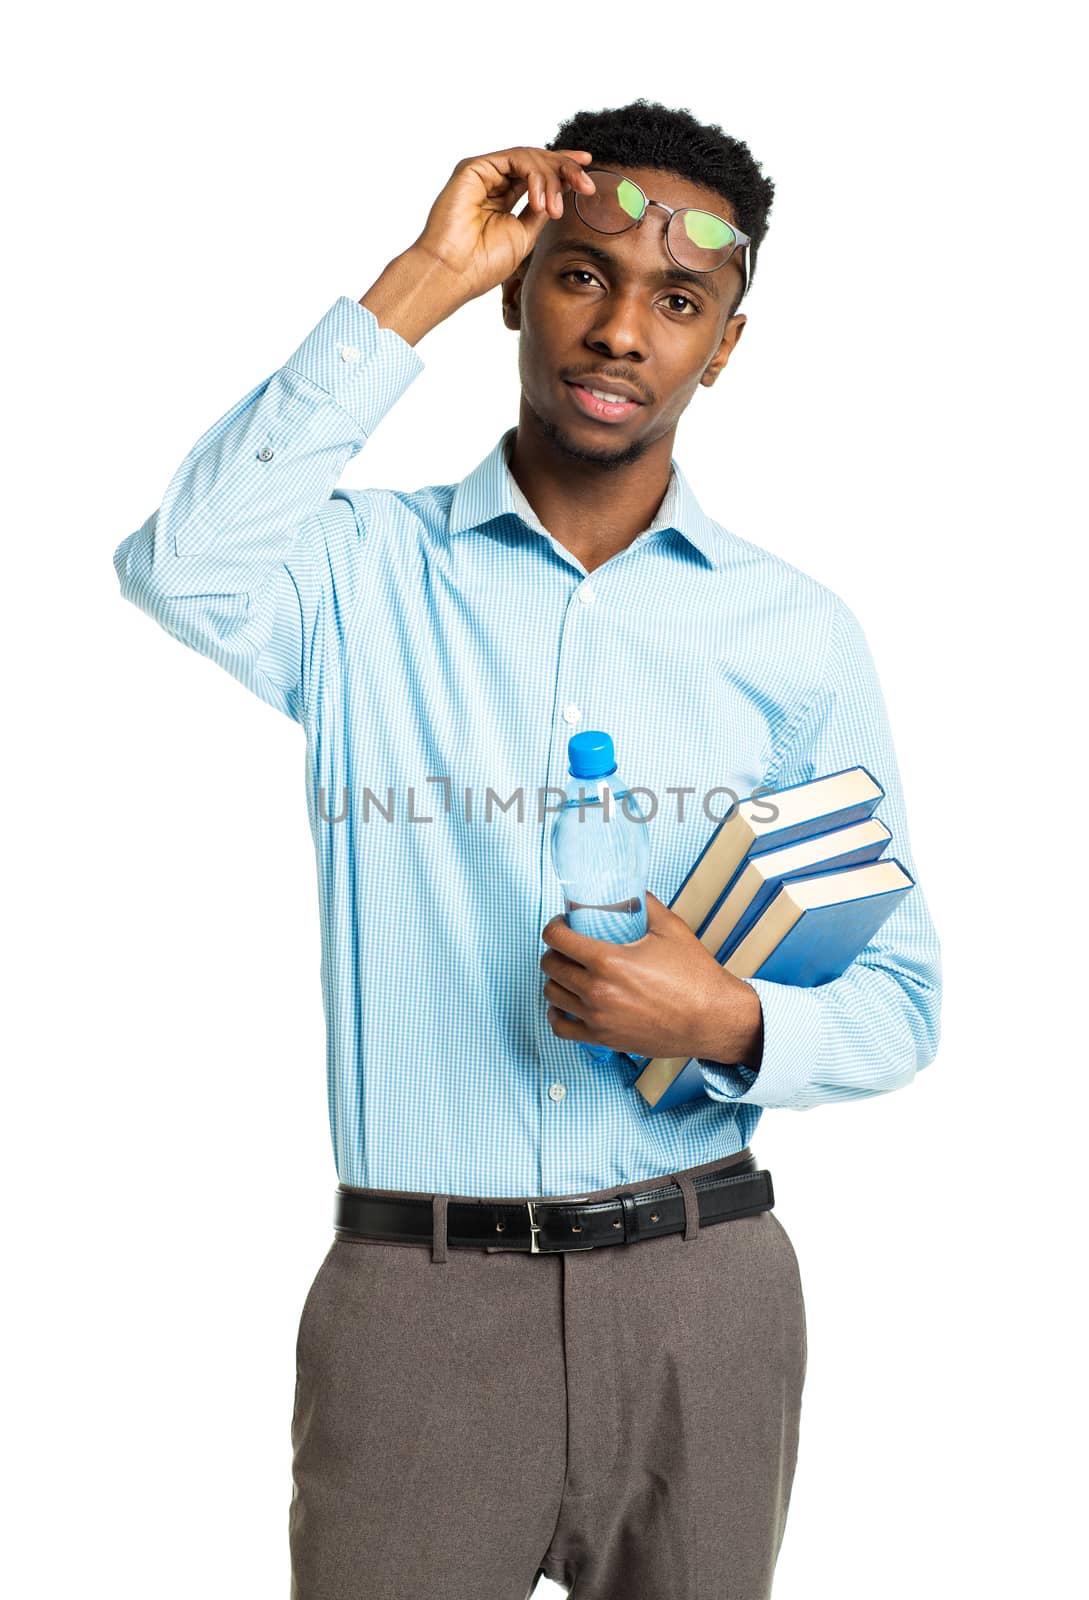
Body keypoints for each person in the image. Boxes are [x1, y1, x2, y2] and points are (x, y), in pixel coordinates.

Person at [112, 98, 942, 1600]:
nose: (623, 330)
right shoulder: (359, 577)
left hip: (709, 1296)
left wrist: (728, 1020)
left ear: (724, 346)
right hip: (418, 1307)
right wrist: (415, 278)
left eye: (678, 301)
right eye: (580, 274)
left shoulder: (795, 637)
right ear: (518, 285)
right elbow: (184, 561)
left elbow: (901, 997)